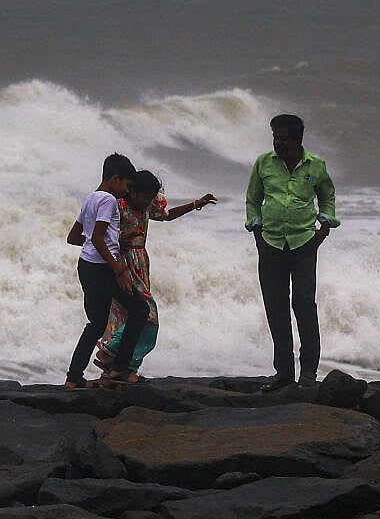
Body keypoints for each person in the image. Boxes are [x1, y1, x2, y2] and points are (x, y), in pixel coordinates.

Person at [93, 170, 217, 379]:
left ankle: (123, 368)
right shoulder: (119, 206)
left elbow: (168, 216)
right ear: (132, 192)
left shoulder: (148, 205)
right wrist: (123, 239)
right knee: (146, 314)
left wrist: (196, 203)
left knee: (131, 316)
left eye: (152, 198)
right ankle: (109, 353)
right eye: (145, 197)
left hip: (141, 262)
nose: (149, 202)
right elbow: (104, 234)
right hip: (123, 264)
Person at [246, 114, 337, 392]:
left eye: (283, 138)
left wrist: (325, 224)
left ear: (297, 140)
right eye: (275, 137)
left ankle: (308, 372)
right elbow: (252, 199)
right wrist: (257, 230)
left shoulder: (315, 166)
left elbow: (327, 195)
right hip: (270, 243)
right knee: (276, 308)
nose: (277, 143)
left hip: (304, 243)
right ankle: (283, 372)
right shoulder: (263, 163)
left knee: (304, 304)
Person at [64, 153, 147, 389]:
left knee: (97, 323)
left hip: (87, 265)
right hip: (102, 268)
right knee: (139, 309)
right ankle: (119, 369)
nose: (128, 191)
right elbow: (98, 237)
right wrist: (119, 269)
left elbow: (74, 237)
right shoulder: (109, 200)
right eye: (127, 185)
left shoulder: (90, 198)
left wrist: (116, 242)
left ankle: (73, 377)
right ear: (115, 179)